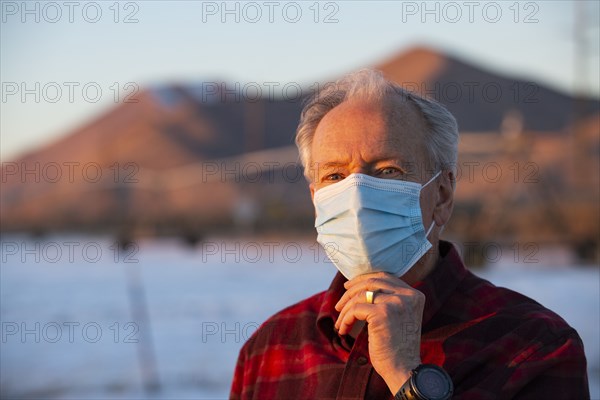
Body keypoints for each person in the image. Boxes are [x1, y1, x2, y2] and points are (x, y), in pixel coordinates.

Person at [230, 69, 589, 399]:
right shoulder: (270, 348)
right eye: (335, 176)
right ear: (316, 200)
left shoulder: (533, 346)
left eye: (388, 171)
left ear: (442, 195)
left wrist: (407, 376)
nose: (357, 198)